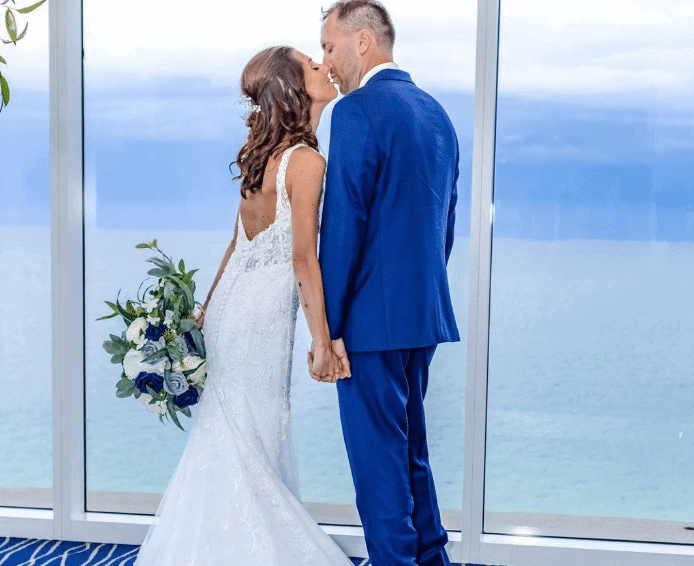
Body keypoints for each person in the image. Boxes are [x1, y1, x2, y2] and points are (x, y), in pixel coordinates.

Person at [134, 45, 353, 566]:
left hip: (234, 311)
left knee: (234, 440)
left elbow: (237, 245)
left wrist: (205, 313)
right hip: (261, 322)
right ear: (296, 90)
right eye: (311, 65)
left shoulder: (263, 152)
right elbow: (304, 260)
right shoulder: (306, 162)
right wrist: (322, 344)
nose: (325, 66)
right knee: (250, 440)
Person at [315, 1, 461, 565]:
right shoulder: (436, 113)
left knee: (380, 471)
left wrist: (327, 329)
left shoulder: (356, 112)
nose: (326, 62)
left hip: (369, 325)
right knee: (410, 457)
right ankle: (433, 559)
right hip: (420, 315)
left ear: (363, 43)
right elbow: (442, 225)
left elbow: (343, 225)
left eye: (329, 47)